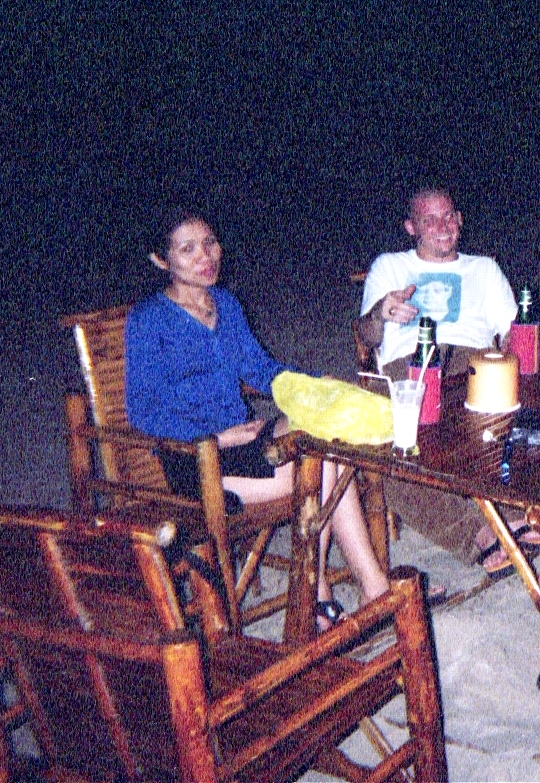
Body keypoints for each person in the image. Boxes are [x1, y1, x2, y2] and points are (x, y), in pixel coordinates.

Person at [125, 205, 390, 628]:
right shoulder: (148, 320)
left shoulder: (226, 305)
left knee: (326, 432)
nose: (205, 256)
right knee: (321, 463)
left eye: (209, 243)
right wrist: (215, 436)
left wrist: (311, 387)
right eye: (188, 249)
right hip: (196, 458)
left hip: (245, 441)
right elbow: (143, 410)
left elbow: (261, 370)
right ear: (161, 260)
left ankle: (355, 587)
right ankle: (330, 590)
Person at [358, 188, 537, 577]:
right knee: (384, 456)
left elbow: (515, 333)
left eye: (449, 216)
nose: (443, 226)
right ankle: (478, 533)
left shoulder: (484, 269)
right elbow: (368, 337)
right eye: (430, 219)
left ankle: (510, 512)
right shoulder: (389, 266)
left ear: (460, 219)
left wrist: (514, 352)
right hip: (409, 367)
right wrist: (380, 312)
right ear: (411, 227)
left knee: (518, 412)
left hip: (473, 363)